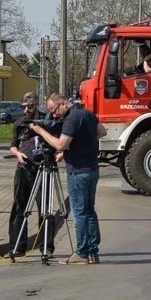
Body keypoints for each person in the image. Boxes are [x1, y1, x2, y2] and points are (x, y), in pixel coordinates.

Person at [32, 93, 107, 265]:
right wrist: (77, 146)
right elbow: (102, 132)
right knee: (89, 211)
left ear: (63, 104)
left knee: (79, 212)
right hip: (92, 169)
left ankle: (81, 253)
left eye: (53, 110)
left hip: (78, 171)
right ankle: (92, 252)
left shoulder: (71, 119)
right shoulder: (87, 114)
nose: (53, 115)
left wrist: (41, 131)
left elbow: (60, 144)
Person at [8, 92, 58, 256]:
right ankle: (17, 246)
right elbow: (13, 145)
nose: (26, 110)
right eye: (23, 107)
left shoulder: (46, 120)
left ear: (36, 105)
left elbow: (58, 140)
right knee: (19, 207)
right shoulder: (20, 122)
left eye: (29, 107)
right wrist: (17, 154)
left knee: (45, 208)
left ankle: (46, 247)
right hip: (24, 167)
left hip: (44, 168)